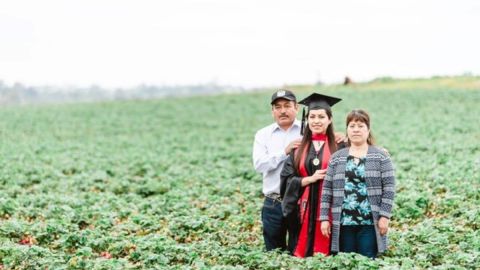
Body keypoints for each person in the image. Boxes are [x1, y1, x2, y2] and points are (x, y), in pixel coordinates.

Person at [253, 90, 345, 252]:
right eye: (278, 106)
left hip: (304, 205)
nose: (283, 110)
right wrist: (285, 151)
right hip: (275, 201)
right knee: (275, 250)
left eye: (287, 106)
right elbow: (259, 165)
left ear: (296, 108)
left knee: (299, 245)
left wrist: (337, 137)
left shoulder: (307, 131)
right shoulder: (263, 134)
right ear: (272, 110)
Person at [320, 109, 395, 259]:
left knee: (367, 260)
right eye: (352, 126)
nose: (356, 130)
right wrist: (324, 218)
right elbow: (327, 190)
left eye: (360, 126)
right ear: (347, 130)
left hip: (369, 222)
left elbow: (389, 189)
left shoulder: (381, 156)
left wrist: (384, 217)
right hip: (343, 222)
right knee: (346, 261)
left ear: (368, 130)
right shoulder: (337, 158)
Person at [280, 92, 344, 257]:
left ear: (329, 120)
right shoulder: (298, 148)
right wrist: (309, 179)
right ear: (307, 120)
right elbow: (287, 179)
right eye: (312, 116)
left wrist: (380, 151)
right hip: (303, 210)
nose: (316, 121)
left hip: (331, 208)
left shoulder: (341, 146)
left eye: (321, 117)